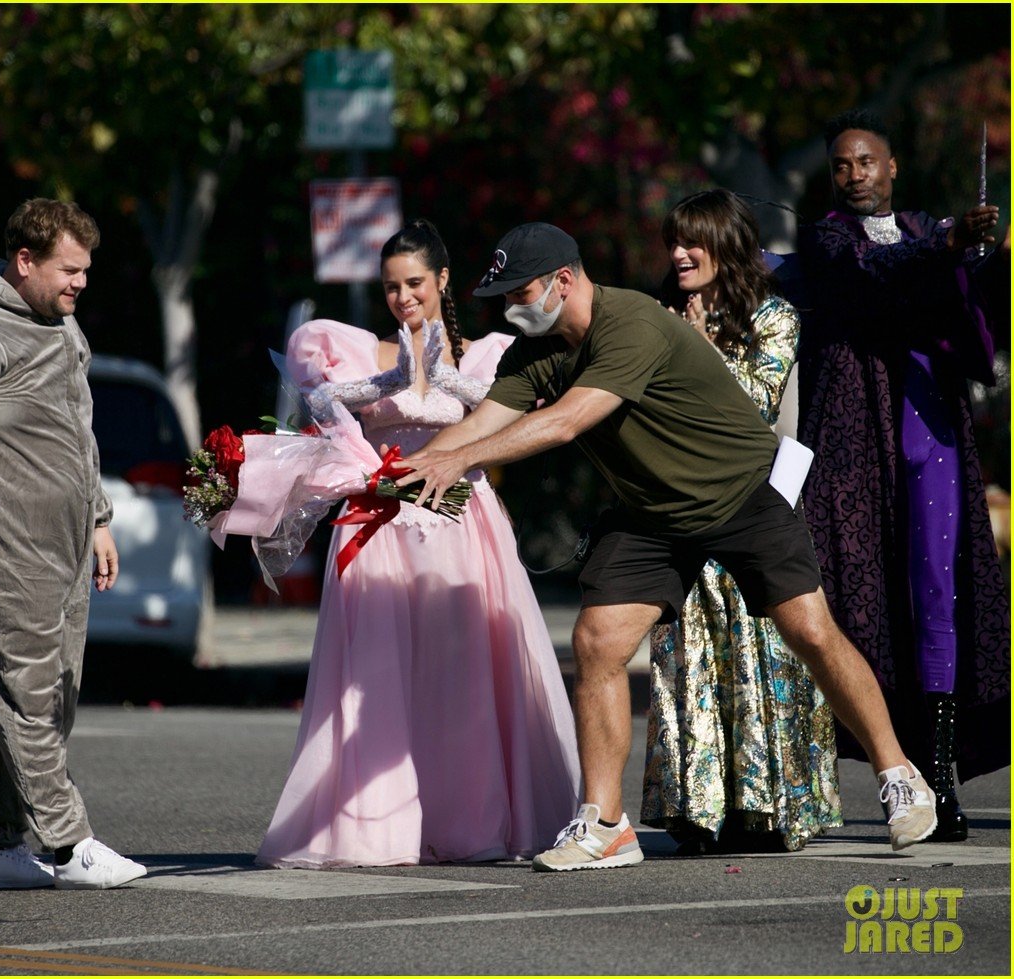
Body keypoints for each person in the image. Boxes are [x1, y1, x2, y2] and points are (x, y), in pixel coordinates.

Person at [398, 221, 940, 872]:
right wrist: (376, 480)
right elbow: (477, 426)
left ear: (563, 281)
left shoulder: (631, 323)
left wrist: (458, 463)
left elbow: (568, 420)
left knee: (810, 631)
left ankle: (899, 773)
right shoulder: (533, 350)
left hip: (740, 492)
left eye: (522, 290)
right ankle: (604, 823)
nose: (511, 306)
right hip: (652, 514)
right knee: (597, 640)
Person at [256, 218, 580, 868]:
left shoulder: (485, 352)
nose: (404, 298)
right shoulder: (355, 350)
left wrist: (441, 378)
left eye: (415, 284)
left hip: (462, 525)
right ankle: (374, 827)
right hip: (379, 528)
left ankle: (469, 819)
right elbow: (321, 408)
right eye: (392, 287)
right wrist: (391, 380)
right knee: (377, 678)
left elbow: (505, 409)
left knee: (463, 678)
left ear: (443, 281)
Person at [0, 198, 147, 890]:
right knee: (30, 691)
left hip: (64, 543)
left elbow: (79, 430)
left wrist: (98, 517)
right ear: (25, 262)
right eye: (69, 269)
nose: (81, 283)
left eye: (86, 270)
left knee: (49, 695)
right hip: (0, 543)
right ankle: (68, 843)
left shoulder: (64, 330)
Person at [796, 109, 1011, 841]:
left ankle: (943, 781)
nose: (853, 175)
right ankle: (893, 770)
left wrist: (983, 251)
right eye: (842, 165)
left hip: (932, 430)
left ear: (893, 169)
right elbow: (870, 269)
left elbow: (978, 307)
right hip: (857, 445)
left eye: (865, 163)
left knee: (938, 595)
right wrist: (950, 244)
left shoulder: (928, 228)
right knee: (859, 604)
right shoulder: (828, 238)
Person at [642, 190, 841, 854]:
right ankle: (696, 807)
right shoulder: (659, 315)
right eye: (672, 241)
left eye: (691, 241)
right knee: (690, 656)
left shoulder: (774, 317)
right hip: (682, 512)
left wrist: (697, 347)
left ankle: (766, 807)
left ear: (726, 244)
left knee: (766, 649)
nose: (677, 254)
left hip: (756, 510)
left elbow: (755, 405)